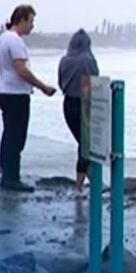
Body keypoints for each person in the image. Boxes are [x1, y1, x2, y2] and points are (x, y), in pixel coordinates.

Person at [0, 4, 56, 192]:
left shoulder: (3, 38)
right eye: (31, 21)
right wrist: (42, 86)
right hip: (16, 95)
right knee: (16, 138)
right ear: (21, 20)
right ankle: (11, 178)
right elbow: (21, 69)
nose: (32, 26)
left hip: (5, 91)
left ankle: (8, 175)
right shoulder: (15, 41)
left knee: (9, 136)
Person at [57, 29, 99, 191]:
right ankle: (81, 185)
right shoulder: (89, 61)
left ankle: (88, 179)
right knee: (86, 144)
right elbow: (96, 82)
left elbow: (61, 83)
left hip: (68, 104)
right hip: (85, 103)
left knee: (83, 143)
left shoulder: (65, 60)